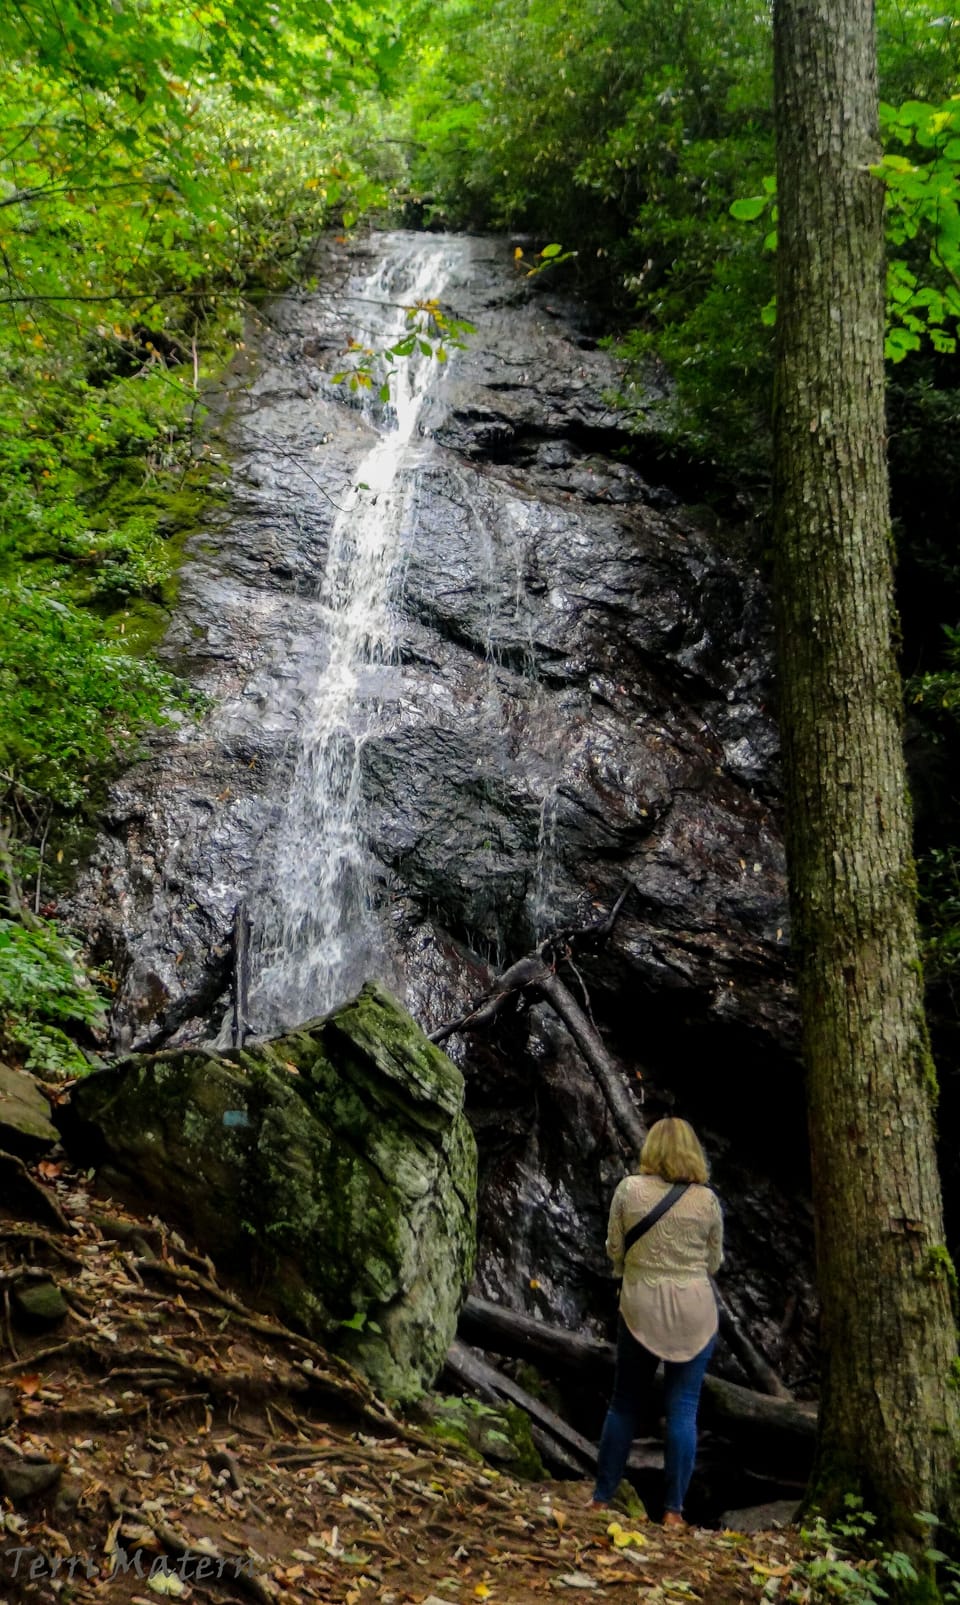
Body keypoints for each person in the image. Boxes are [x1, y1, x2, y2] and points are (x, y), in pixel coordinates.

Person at [592, 1117, 723, 1527]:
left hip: (641, 1307)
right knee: (683, 1410)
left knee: (625, 1403)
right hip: (695, 1311)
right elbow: (714, 1262)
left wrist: (631, 1269)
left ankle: (601, 1499)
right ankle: (673, 1513)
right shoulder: (707, 1201)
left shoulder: (629, 1189)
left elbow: (614, 1249)